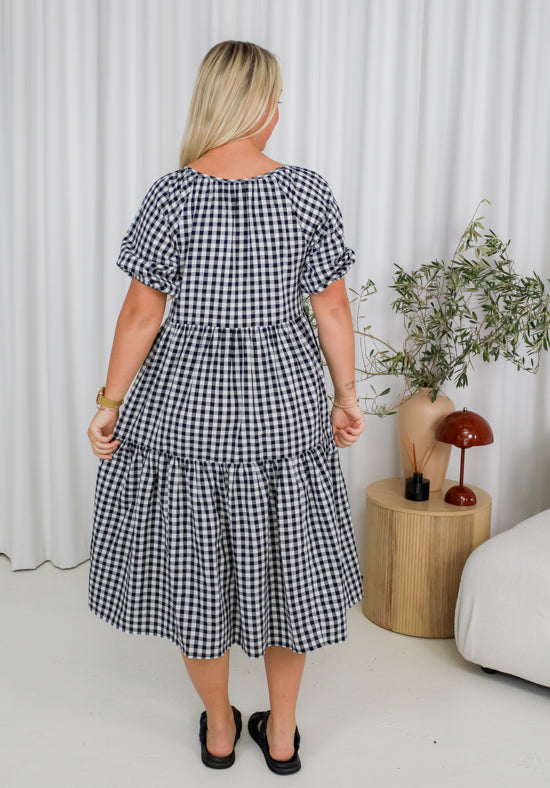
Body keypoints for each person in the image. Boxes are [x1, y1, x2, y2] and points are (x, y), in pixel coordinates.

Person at [87, 40, 365, 775]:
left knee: (197, 572)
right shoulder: (306, 191)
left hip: (184, 409)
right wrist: (345, 395)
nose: (280, 113)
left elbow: (141, 315)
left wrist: (109, 403)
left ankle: (218, 729)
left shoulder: (171, 194)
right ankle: (282, 736)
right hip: (283, 403)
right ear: (259, 106)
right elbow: (331, 309)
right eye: (277, 99)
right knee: (287, 570)